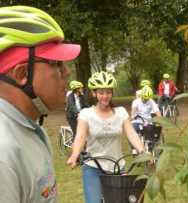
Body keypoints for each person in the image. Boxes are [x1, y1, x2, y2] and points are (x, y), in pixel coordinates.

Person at [0, 5, 80, 203]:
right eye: (56, 63)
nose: (67, 72)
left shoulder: (31, 128)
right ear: (22, 74)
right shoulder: (4, 151)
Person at [67, 71, 145, 203]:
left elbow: (131, 133)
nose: (105, 96)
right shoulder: (86, 114)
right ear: (94, 93)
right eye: (101, 92)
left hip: (117, 168)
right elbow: (80, 137)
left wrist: (143, 152)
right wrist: (75, 155)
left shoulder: (120, 113)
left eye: (108, 92)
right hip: (93, 168)